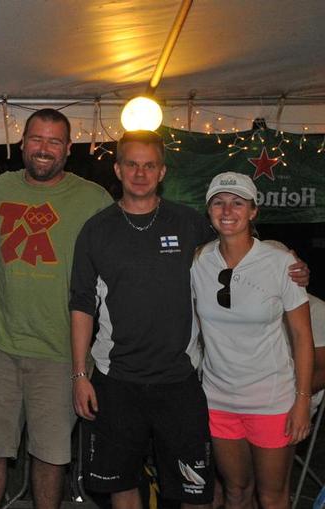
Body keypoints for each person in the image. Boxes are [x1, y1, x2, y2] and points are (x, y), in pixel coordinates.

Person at [0, 108, 113, 509]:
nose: (44, 149)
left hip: (61, 350)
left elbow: (124, 257)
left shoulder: (93, 199)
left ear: (68, 148)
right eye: (36, 140)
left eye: (54, 142)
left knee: (50, 456)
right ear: (23, 143)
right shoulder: (3, 186)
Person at [68, 130, 218, 509]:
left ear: (162, 171)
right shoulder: (96, 230)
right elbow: (81, 305)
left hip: (179, 380)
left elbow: (237, 251)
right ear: (117, 169)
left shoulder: (189, 224)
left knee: (195, 491)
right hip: (117, 381)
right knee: (122, 485)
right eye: (131, 164)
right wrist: (80, 376)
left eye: (149, 165)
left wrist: (286, 259)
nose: (140, 173)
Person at [192, 171, 314, 509]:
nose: (227, 210)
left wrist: (302, 401)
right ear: (209, 210)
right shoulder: (199, 261)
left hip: (272, 401)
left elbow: (303, 337)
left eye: (237, 202)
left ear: (253, 211)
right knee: (235, 491)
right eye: (218, 202)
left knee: (273, 495)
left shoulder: (280, 262)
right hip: (218, 400)